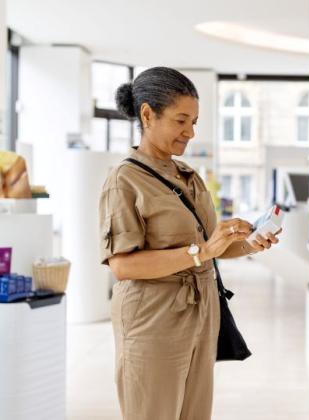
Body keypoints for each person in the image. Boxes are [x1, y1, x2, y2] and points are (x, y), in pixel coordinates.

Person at [98, 67, 281, 420]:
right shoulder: (124, 180)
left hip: (201, 315)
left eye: (194, 121)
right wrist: (200, 253)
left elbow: (215, 248)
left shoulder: (187, 175)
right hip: (152, 320)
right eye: (181, 120)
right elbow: (122, 265)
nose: (191, 132)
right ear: (148, 114)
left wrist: (252, 243)